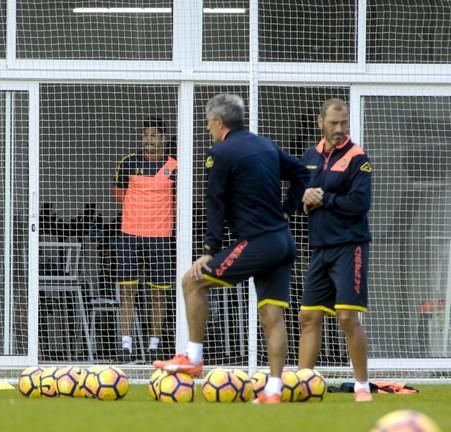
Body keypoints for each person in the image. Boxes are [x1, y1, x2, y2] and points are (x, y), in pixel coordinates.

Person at [153, 94, 310, 404]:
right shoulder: (266, 145)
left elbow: (215, 203)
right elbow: (303, 173)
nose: (208, 128)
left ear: (218, 122)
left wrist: (209, 247)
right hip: (282, 241)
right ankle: (274, 391)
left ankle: (193, 358)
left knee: (191, 281)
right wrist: (288, 209)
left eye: (208, 123)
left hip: (258, 242)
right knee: (271, 314)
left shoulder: (220, 152)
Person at [297, 98, 373, 403]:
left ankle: (362, 386)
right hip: (319, 248)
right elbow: (298, 199)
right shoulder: (309, 157)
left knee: (345, 317)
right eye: (333, 123)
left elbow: (359, 204)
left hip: (349, 246)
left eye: (344, 123)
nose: (340, 129)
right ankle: (302, 385)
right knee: (308, 317)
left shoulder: (358, 158)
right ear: (321, 123)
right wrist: (304, 198)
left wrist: (323, 198)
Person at [113, 118, 177, 362]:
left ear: (163, 138)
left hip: (160, 237)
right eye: (145, 135)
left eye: (153, 135)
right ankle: (125, 346)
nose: (148, 139)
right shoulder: (129, 163)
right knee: (127, 291)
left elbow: (179, 201)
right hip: (130, 234)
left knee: (157, 293)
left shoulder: (174, 166)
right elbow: (119, 196)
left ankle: (154, 346)